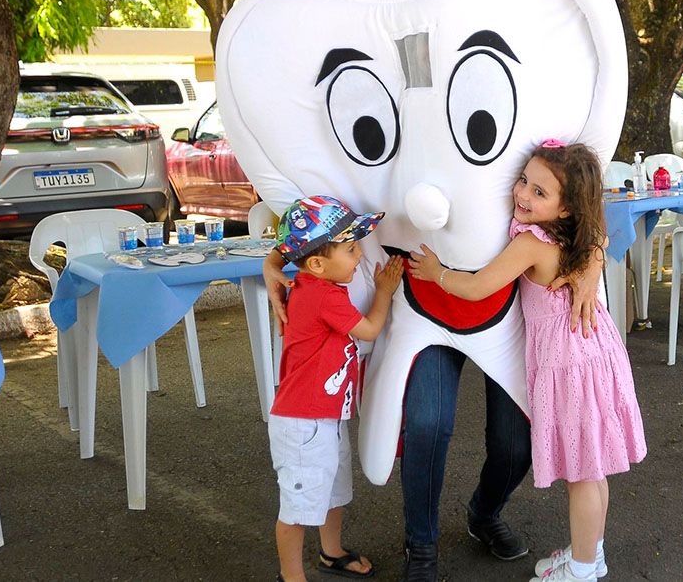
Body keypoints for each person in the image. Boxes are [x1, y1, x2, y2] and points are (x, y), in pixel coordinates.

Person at [263, 189, 603, 582]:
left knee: (515, 441)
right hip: (422, 310)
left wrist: (593, 262)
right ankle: (420, 541)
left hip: (502, 315)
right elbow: (318, 183)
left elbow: (584, 207)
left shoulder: (528, 203)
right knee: (426, 423)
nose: (526, 190)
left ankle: (485, 513)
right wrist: (275, 259)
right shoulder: (321, 290)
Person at [408, 140, 647, 582]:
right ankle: (590, 554)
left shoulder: (533, 243)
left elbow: (479, 286)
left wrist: (437, 273)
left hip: (569, 361)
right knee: (593, 470)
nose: (523, 194)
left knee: (583, 473)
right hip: (594, 352)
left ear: (564, 208)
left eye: (540, 192)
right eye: (523, 181)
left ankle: (579, 571)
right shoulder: (579, 232)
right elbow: (601, 238)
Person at [268, 195, 403, 582]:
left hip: (323, 417)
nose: (359, 255)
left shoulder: (315, 284)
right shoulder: (323, 296)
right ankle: (291, 576)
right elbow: (371, 329)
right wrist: (385, 291)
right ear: (317, 263)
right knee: (297, 507)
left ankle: (331, 552)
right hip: (303, 424)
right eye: (350, 248)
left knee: (331, 490)